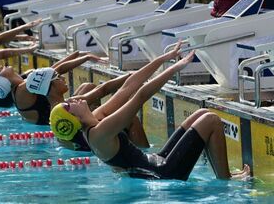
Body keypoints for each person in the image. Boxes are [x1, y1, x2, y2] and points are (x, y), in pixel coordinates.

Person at [49, 41, 250, 180]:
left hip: (157, 161)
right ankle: (227, 180)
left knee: (199, 115)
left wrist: (164, 58)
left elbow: (129, 86)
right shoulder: (99, 134)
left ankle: (225, 175)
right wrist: (175, 68)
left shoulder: (95, 120)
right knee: (211, 120)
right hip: (163, 173)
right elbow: (140, 96)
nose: (74, 99)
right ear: (73, 117)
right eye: (70, 104)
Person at [0, 51, 149, 151]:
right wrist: (135, 75)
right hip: (92, 147)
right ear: (51, 87)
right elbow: (103, 89)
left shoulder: (55, 112)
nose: (63, 78)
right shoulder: (67, 105)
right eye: (57, 78)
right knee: (130, 119)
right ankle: (145, 152)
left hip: (80, 147)